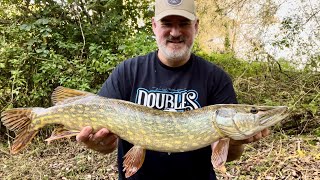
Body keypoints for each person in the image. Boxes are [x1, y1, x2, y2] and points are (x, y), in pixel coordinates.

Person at [76, 0, 270, 179]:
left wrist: (235, 142)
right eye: (167, 23)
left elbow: (228, 156)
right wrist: (99, 144)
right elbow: (104, 139)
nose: (175, 32)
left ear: (196, 26)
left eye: (184, 23)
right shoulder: (128, 72)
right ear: (154, 26)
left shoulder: (216, 78)